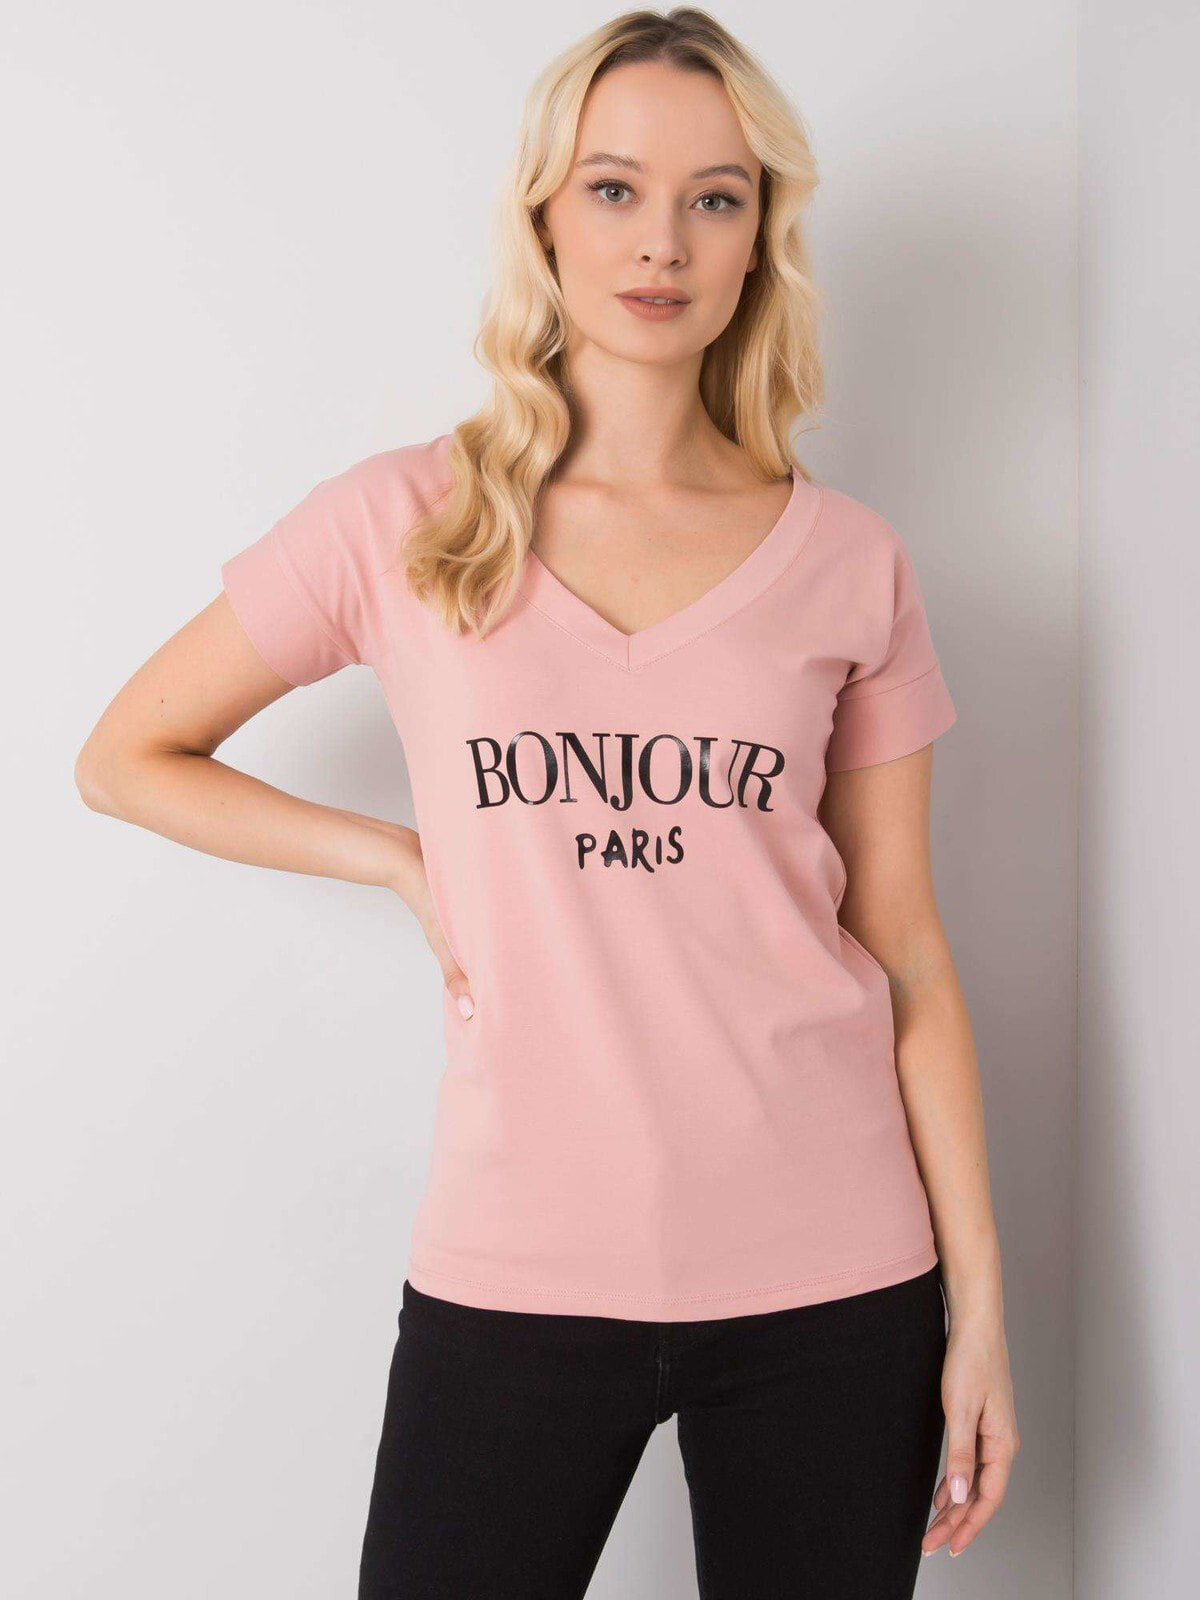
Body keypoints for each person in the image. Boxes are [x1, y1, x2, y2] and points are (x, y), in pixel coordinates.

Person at [75, 7, 1019, 1596]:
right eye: (615, 189)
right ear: (543, 214)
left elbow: (909, 954)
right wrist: (395, 857)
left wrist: (981, 1309)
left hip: (836, 1276)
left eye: (715, 198)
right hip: (515, 1267)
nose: (663, 242)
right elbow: (125, 757)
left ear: (759, 238)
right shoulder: (401, 522)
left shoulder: (851, 561)